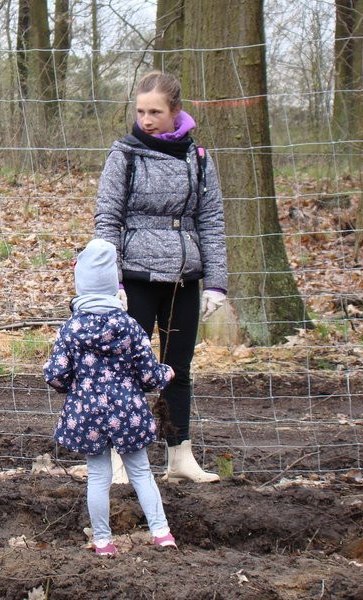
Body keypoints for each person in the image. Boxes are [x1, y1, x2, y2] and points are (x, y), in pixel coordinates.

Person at [94, 70, 227, 483]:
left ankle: (180, 455)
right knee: (125, 368)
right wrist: (110, 280)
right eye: (140, 111)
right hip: (134, 278)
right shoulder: (124, 155)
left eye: (155, 112)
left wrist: (216, 282)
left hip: (184, 279)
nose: (146, 119)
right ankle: (119, 457)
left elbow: (211, 221)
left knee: (177, 369)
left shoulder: (199, 159)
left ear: (176, 112)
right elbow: (107, 219)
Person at [43, 238, 177, 556]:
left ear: (81, 287)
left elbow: (57, 375)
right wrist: (166, 374)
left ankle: (103, 541)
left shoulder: (71, 329)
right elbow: (148, 375)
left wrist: (57, 377)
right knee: (142, 472)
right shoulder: (129, 327)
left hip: (87, 414)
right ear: (110, 287)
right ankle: (162, 533)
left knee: (99, 476)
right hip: (127, 411)